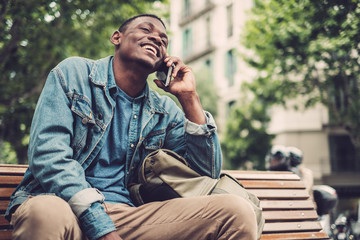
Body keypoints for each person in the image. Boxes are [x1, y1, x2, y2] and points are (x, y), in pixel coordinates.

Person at [6, 14, 257, 240]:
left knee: (236, 211)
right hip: (61, 204)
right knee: (45, 212)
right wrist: (100, 226)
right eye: (146, 30)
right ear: (117, 37)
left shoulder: (165, 111)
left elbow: (206, 174)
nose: (156, 39)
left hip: (128, 217)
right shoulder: (73, 73)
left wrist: (189, 98)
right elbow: (49, 157)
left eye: (163, 39)